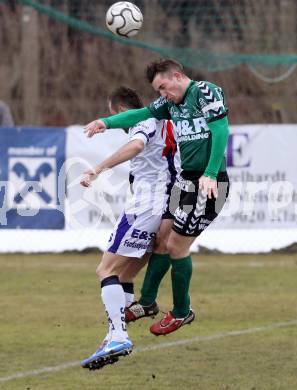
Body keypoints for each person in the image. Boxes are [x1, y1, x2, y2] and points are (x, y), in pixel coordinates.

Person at [84, 59, 230, 336]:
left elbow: (221, 129)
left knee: (176, 246)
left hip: (207, 182)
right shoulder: (169, 105)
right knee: (162, 239)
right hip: (185, 181)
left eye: (164, 86)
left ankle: (181, 311)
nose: (162, 93)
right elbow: (138, 115)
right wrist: (106, 122)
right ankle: (147, 303)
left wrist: (210, 173)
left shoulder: (205, 92)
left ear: (177, 76)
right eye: (158, 90)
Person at [80, 86, 178, 370]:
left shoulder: (143, 122)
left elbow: (135, 145)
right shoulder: (161, 122)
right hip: (160, 206)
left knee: (105, 270)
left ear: (122, 112)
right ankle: (114, 334)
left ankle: (119, 335)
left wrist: (97, 169)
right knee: (123, 274)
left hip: (145, 207)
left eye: (114, 116)